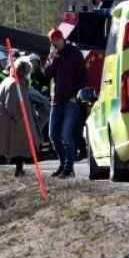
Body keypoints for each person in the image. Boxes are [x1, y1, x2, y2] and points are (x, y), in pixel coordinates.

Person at [0, 60, 41, 185]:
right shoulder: (15, 84)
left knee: (17, 146)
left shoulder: (10, 80)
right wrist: (17, 118)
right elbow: (10, 104)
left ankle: (18, 170)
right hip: (7, 122)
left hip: (4, 121)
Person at [43, 28, 89, 178]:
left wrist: (76, 96)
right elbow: (47, 74)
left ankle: (69, 168)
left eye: (57, 40)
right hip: (56, 100)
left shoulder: (74, 53)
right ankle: (62, 163)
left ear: (62, 39)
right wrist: (54, 57)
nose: (55, 43)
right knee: (53, 135)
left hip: (71, 100)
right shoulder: (53, 55)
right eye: (52, 41)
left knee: (65, 134)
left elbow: (84, 77)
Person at [28, 53, 54, 158]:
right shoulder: (28, 76)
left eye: (36, 63)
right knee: (36, 128)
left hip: (42, 104)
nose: (34, 65)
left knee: (45, 128)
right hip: (32, 105)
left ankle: (47, 151)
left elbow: (45, 87)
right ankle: (39, 151)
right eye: (32, 63)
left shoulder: (42, 75)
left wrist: (45, 96)